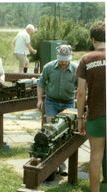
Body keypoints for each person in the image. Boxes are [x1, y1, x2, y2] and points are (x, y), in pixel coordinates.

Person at [76, 21, 105, 192]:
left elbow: (80, 93)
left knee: (96, 158)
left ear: (92, 39)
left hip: (96, 116)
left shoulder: (86, 59)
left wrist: (80, 119)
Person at [37, 44, 78, 176]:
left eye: (66, 59)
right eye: (61, 59)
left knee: (66, 135)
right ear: (57, 57)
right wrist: (39, 99)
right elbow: (41, 82)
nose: (63, 62)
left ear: (70, 57)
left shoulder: (76, 69)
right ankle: (51, 165)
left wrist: (80, 103)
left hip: (68, 103)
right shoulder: (49, 67)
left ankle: (62, 164)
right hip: (51, 102)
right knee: (51, 133)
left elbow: (82, 87)